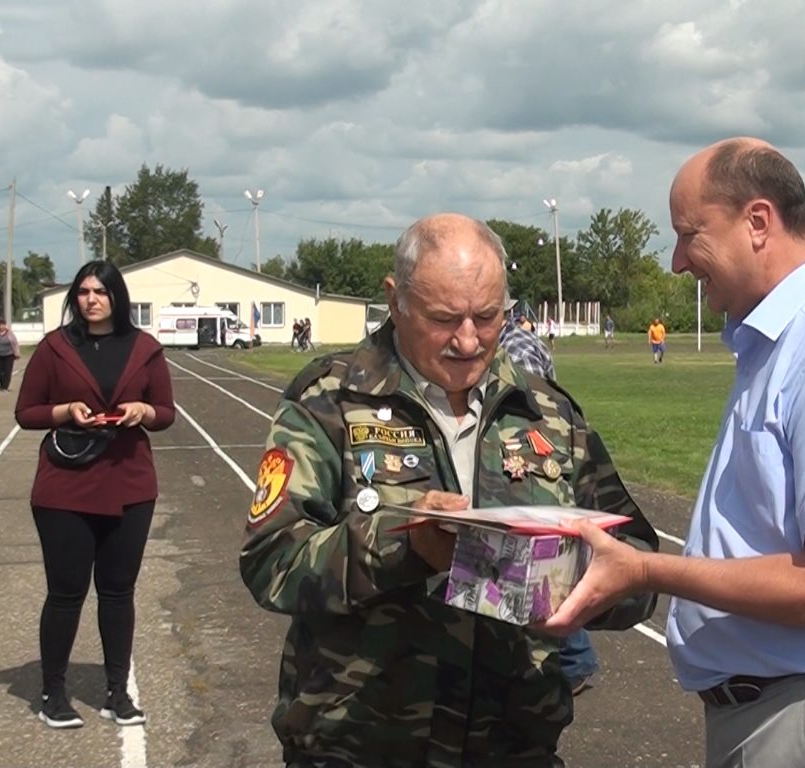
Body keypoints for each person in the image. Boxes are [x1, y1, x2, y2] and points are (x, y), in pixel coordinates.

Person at [542, 138, 805, 768]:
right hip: (787, 715)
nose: (676, 262)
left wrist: (646, 572)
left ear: (758, 222)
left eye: (687, 234)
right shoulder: (780, 345)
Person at [239, 213, 659, 768]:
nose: (468, 340)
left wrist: (584, 584)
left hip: (515, 748)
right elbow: (271, 559)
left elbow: (638, 566)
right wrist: (403, 545)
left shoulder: (548, 412)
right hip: (359, 749)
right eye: (444, 319)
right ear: (396, 300)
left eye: (487, 317)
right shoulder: (330, 401)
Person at [13, 260, 176, 729]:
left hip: (129, 483)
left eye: (101, 292)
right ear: (75, 298)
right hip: (66, 484)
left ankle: (116, 694)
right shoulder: (55, 347)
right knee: (65, 594)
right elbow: (26, 412)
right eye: (83, 291)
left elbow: (166, 412)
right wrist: (65, 410)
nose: (91, 299)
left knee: (118, 592)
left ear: (117, 298)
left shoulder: (145, 349)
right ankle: (52, 693)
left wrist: (143, 409)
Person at [498, 302, 601, 695]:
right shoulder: (516, 341)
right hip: (531, 460)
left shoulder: (516, 347)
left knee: (535, 571)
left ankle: (574, 661)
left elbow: (531, 412)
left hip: (528, 462)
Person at [0, 317, 20, 390]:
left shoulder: (10, 334)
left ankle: (5, 386)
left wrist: (17, 353)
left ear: (5, 325)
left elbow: (15, 343)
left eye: (3, 325)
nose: (2, 326)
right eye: (0, 325)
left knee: (7, 371)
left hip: (9, 355)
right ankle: (2, 382)